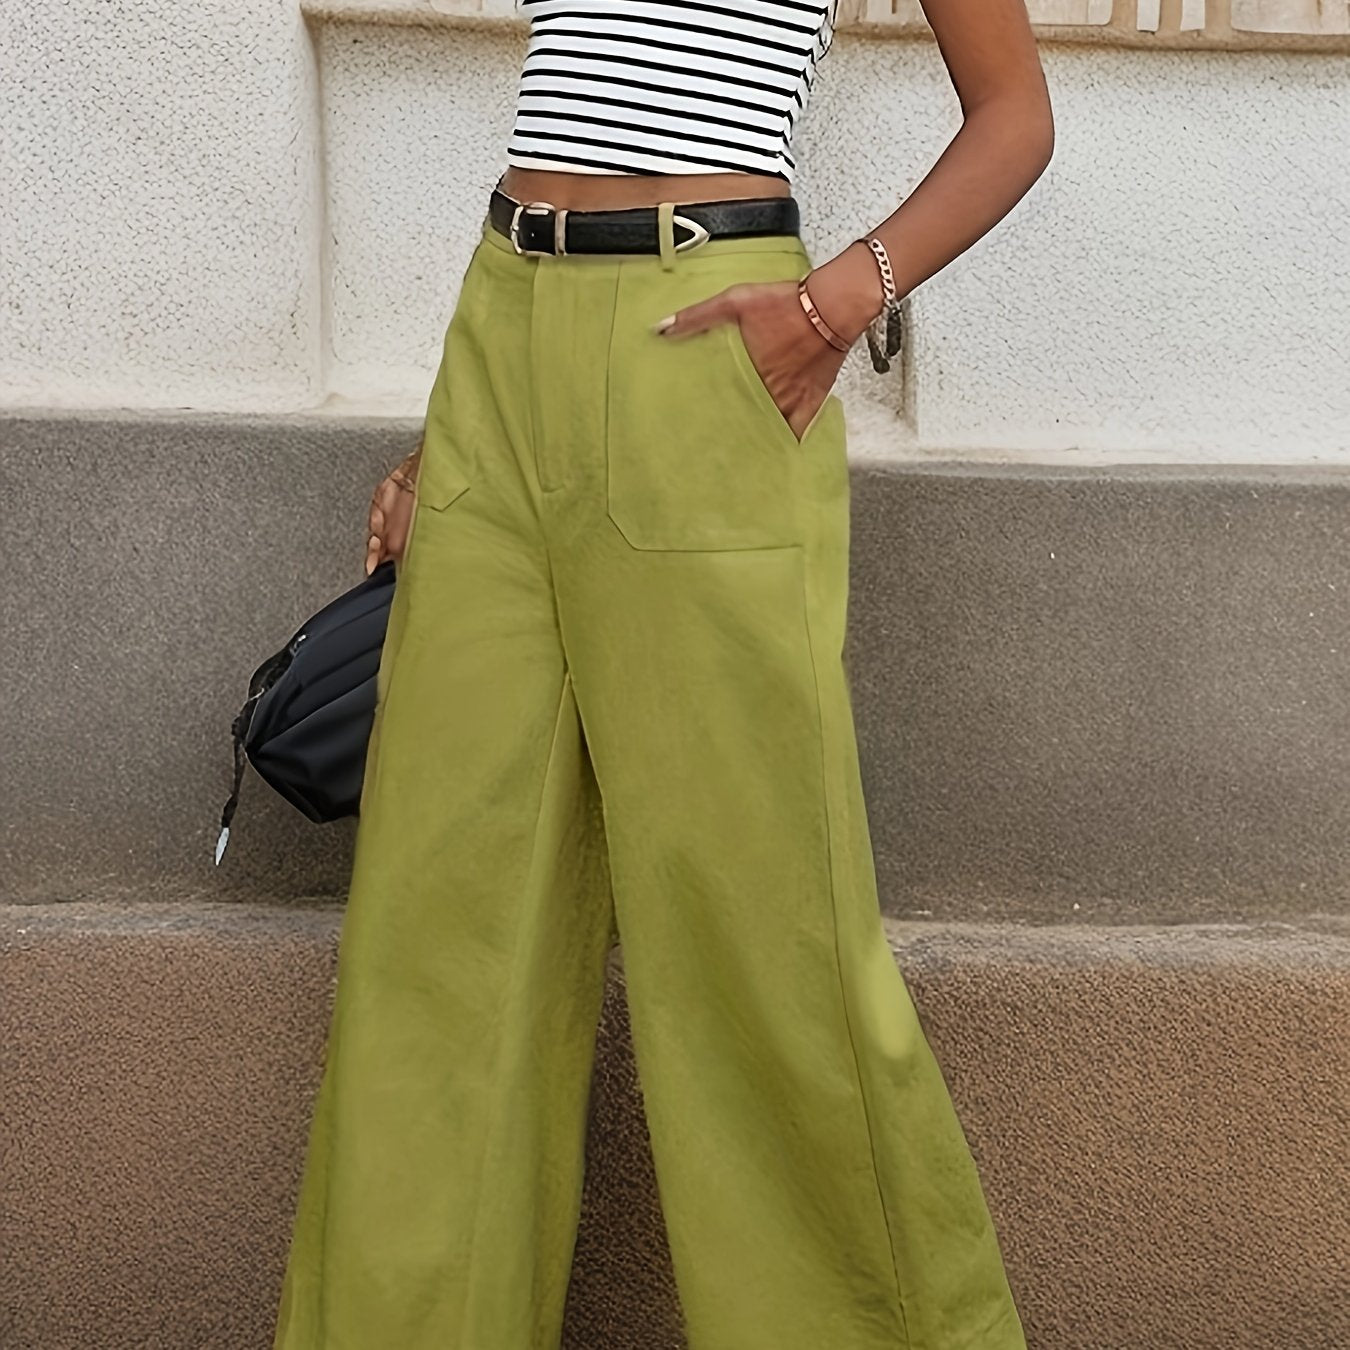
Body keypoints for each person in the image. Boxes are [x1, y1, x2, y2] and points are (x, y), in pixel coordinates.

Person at [273, 0, 1054, 1346]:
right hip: (501, 330)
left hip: (706, 339)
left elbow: (1015, 116)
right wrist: (446, 439)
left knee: (762, 929)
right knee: (436, 931)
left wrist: (839, 300)